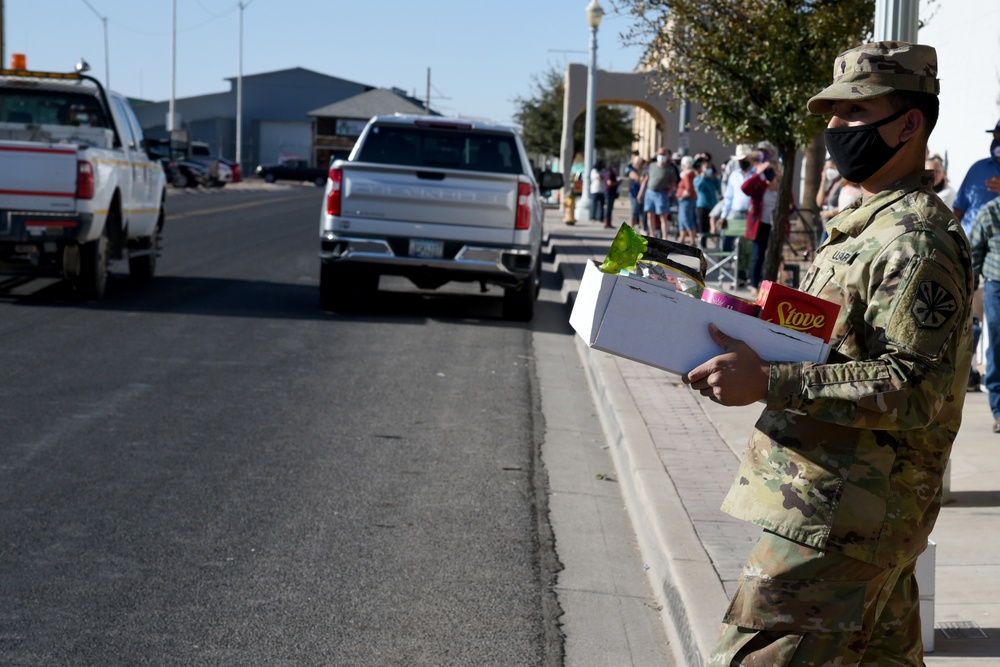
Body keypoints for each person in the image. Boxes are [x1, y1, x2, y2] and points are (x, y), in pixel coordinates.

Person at [683, 42, 973, 665]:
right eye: (832, 114)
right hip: (842, 508)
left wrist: (768, 381)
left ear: (910, 124)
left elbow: (910, 386)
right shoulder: (867, 226)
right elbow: (830, 341)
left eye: (854, 112)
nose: (836, 128)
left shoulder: (917, 242)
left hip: (846, 520)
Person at [969, 196, 1000, 429]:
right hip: (997, 285)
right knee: (998, 346)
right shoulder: (991, 211)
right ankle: (999, 410)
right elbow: (975, 252)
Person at [740, 156, 784, 294]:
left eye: (773, 172)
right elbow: (745, 187)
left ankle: (771, 285)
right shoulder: (760, 186)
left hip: (775, 227)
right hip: (760, 226)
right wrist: (758, 172)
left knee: (775, 255)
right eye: (769, 172)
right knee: (758, 256)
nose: (771, 176)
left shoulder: (782, 189)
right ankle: (754, 284)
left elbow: (791, 207)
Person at [953, 120, 1000, 235]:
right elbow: (959, 209)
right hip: (970, 248)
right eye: (996, 137)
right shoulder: (978, 168)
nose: (997, 143)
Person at [719, 145, 757, 282]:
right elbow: (728, 197)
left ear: (750, 158)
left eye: (743, 159)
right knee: (726, 238)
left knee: (746, 247)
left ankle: (742, 275)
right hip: (735, 213)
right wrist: (723, 215)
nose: (741, 162)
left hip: (750, 215)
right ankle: (726, 268)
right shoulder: (734, 175)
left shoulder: (757, 174)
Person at [638, 147, 679, 239]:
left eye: (664, 154)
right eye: (660, 154)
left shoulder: (670, 168)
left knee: (662, 216)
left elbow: (673, 183)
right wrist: (640, 193)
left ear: (667, 156)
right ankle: (652, 235)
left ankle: (665, 237)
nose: (661, 156)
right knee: (650, 214)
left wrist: (669, 192)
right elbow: (645, 180)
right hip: (650, 192)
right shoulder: (652, 166)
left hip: (661, 193)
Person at [695, 157, 721, 244]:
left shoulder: (712, 179)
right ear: (702, 169)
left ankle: (714, 243)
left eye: (710, 168)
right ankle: (702, 245)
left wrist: (716, 178)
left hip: (712, 205)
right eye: (707, 168)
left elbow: (719, 188)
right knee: (703, 227)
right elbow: (699, 188)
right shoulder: (698, 178)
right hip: (702, 205)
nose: (709, 170)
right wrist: (703, 177)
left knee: (711, 226)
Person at [675, 155, 698, 245]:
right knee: (682, 219)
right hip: (688, 200)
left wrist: (682, 196)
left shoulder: (687, 175)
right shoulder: (692, 174)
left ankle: (692, 240)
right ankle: (682, 239)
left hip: (686, 200)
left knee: (686, 219)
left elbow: (688, 189)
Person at [626, 156, 647, 231]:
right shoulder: (632, 171)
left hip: (642, 194)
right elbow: (639, 180)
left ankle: (643, 228)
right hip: (634, 194)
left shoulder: (642, 171)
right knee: (634, 211)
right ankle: (631, 228)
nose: (643, 166)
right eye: (642, 164)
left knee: (642, 212)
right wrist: (644, 179)